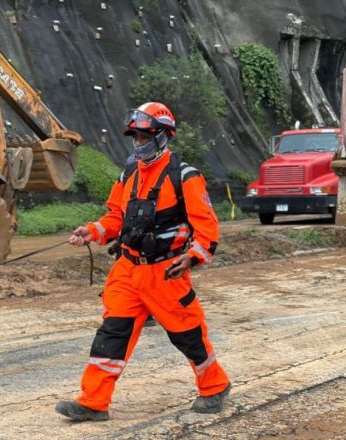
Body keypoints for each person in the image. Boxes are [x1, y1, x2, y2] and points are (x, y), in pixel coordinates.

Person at [56, 102, 230, 422]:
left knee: (188, 335)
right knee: (112, 333)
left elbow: (207, 229)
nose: (138, 143)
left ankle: (215, 385)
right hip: (128, 268)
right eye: (134, 138)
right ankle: (93, 402)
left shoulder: (185, 176)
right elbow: (115, 217)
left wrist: (192, 258)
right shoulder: (128, 173)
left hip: (166, 272)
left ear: (163, 136)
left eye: (144, 137)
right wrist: (92, 232)